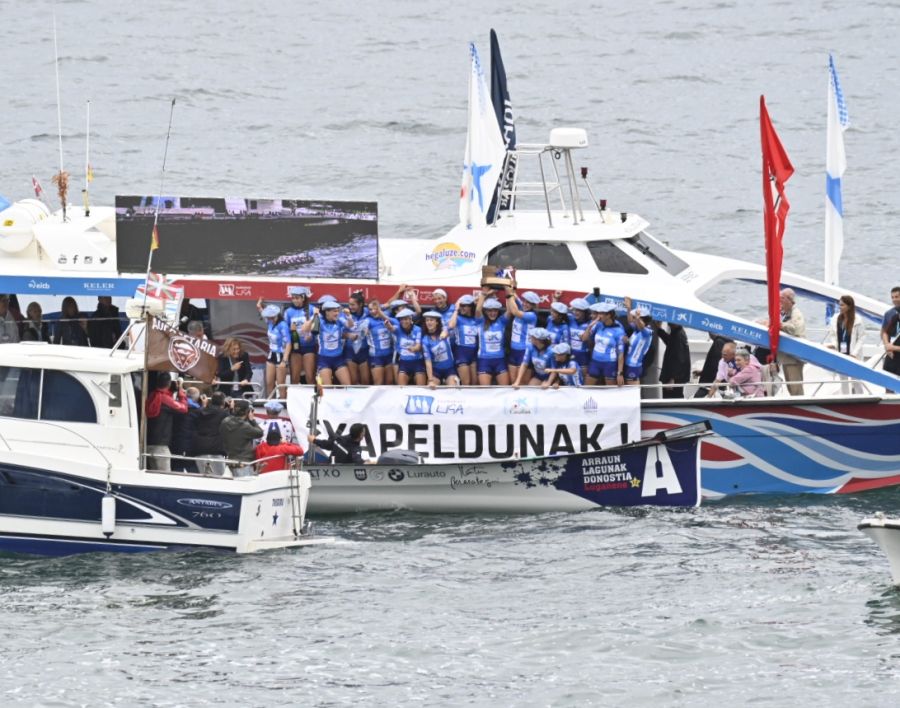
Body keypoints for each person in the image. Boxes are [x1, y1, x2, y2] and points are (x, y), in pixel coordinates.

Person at [301, 300, 356, 386]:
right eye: (334, 311)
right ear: (327, 312)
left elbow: (350, 325)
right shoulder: (320, 321)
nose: (337, 313)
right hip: (324, 360)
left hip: (339, 359)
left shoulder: (339, 320)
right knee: (327, 388)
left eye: (338, 310)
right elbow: (304, 329)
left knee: (347, 386)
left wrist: (349, 316)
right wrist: (314, 316)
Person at [145, 372, 189, 471]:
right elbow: (183, 409)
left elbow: (165, 398)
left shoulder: (152, 395)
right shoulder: (165, 399)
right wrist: (182, 395)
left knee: (154, 478)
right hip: (161, 447)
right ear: (169, 384)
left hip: (149, 444)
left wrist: (173, 390)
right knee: (165, 477)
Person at [825, 294, 867, 394]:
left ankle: (861, 400)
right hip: (841, 354)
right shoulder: (836, 318)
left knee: (856, 381)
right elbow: (833, 334)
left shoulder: (858, 320)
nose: (840, 307)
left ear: (849, 306)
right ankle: (846, 401)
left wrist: (855, 353)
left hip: (853, 355)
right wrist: (834, 344)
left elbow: (862, 337)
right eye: (839, 305)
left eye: (842, 305)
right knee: (843, 381)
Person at [583, 302, 626, 386]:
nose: (598, 316)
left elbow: (621, 353)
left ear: (609, 315)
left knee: (610, 393)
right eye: (598, 313)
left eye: (601, 313)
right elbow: (584, 338)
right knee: (586, 389)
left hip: (609, 364)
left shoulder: (618, 331)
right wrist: (590, 326)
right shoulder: (598, 325)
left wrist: (620, 373)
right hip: (595, 362)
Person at [220, 399, 264, 476]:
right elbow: (260, 433)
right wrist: (252, 420)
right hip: (243, 462)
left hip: (230, 460)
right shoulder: (245, 426)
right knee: (246, 486)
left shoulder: (225, 422)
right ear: (247, 412)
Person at [505, 288, 540, 384]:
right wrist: (509, 286)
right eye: (524, 301)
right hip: (513, 351)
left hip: (524, 351)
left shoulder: (532, 315)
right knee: (513, 382)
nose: (525, 304)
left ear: (533, 305)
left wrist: (509, 295)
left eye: (529, 303)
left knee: (522, 384)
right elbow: (515, 296)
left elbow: (515, 312)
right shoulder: (523, 307)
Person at [475, 291, 511, 385]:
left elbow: (510, 310)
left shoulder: (501, 321)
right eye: (490, 311)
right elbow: (478, 309)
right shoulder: (480, 321)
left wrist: (508, 292)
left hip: (500, 360)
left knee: (504, 390)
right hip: (484, 360)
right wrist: (484, 293)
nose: (493, 313)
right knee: (485, 391)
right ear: (485, 311)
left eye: (495, 310)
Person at [284, 286, 317, 386]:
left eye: (297, 298)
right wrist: (291, 330)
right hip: (295, 347)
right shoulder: (288, 312)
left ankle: (312, 400)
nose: (295, 300)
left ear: (303, 298)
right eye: (293, 298)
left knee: (310, 377)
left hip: (309, 347)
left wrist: (311, 335)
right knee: (294, 378)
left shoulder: (311, 309)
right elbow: (285, 332)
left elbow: (317, 326)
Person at [191, 391, 230, 475]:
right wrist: (230, 409)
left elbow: (200, 414)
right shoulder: (224, 414)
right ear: (223, 402)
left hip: (200, 450)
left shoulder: (198, 412)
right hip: (216, 450)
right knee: (218, 480)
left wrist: (203, 406)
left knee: (204, 479)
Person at [776, 288, 807, 396]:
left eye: (782, 298)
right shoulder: (784, 313)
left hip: (793, 356)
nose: (779, 301)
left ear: (790, 300)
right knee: (790, 386)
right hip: (786, 356)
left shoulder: (796, 313)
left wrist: (781, 325)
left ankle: (802, 408)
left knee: (795, 388)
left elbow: (796, 329)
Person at [258, 302, 291, 398]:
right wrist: (259, 306)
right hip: (271, 354)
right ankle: (270, 403)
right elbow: (262, 312)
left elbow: (288, 343)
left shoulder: (283, 325)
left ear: (276, 315)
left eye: (271, 317)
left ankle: (283, 404)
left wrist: (284, 361)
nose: (269, 319)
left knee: (281, 384)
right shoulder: (270, 322)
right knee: (269, 383)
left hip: (281, 355)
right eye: (268, 317)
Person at [447, 294, 479, 386]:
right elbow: (451, 326)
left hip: (473, 354)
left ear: (470, 307)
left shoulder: (476, 319)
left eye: (464, 306)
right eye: (461, 305)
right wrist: (456, 309)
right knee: (466, 383)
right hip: (461, 353)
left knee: (474, 383)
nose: (462, 308)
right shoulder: (458, 318)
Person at [421, 311, 459, 388]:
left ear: (437, 322)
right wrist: (430, 380)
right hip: (436, 370)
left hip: (450, 369)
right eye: (427, 320)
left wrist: (456, 310)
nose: (429, 322)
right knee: (431, 389)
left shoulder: (443, 331)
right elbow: (428, 362)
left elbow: (452, 325)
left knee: (453, 388)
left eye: (431, 320)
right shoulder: (425, 340)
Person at [363, 299, 396, 385]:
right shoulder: (368, 320)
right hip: (376, 356)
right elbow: (363, 330)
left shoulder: (386, 315)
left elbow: (395, 323)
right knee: (378, 383)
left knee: (390, 382)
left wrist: (381, 313)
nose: (373, 311)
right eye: (370, 309)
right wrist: (364, 331)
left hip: (389, 355)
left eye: (375, 309)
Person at [170, 387, 202, 472]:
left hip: (175, 445)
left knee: (176, 471)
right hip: (191, 448)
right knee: (194, 474)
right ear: (197, 398)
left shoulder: (177, 408)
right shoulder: (199, 412)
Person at [393, 308, 426, 385]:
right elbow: (391, 328)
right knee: (401, 389)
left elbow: (418, 346)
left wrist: (414, 348)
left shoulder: (418, 329)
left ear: (411, 319)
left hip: (417, 362)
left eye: (406, 319)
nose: (404, 321)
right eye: (401, 320)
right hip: (404, 363)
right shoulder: (398, 328)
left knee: (421, 389)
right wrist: (387, 324)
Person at [657, 323, 691, 399]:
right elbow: (669, 342)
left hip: (674, 379)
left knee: (672, 399)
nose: (668, 323)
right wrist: (659, 329)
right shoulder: (677, 332)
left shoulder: (678, 335)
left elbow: (679, 359)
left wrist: (673, 379)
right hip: (675, 377)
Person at [694, 333, 733, 398]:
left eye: (710, 332)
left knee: (697, 398)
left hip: (710, 381)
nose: (709, 335)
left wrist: (704, 374)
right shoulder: (726, 343)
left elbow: (714, 364)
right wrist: (702, 372)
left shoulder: (718, 342)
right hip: (719, 381)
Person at [344, 292, 371, 385]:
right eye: (349, 304)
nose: (350, 307)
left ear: (361, 304)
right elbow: (340, 333)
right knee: (353, 381)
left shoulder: (368, 312)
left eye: (353, 304)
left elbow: (385, 305)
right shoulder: (345, 315)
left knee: (366, 382)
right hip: (350, 351)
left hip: (364, 351)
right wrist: (348, 335)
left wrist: (399, 292)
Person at [623, 308, 654, 387]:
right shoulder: (636, 330)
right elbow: (630, 321)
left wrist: (637, 318)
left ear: (641, 320)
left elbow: (642, 327)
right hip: (627, 364)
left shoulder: (647, 332)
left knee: (632, 393)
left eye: (635, 318)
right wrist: (628, 308)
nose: (633, 320)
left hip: (634, 366)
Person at [566, 298, 592, 379]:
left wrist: (587, 339)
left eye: (578, 310)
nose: (575, 312)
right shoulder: (570, 319)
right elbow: (558, 311)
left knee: (582, 380)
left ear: (584, 312)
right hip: (571, 354)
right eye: (574, 310)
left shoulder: (590, 323)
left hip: (583, 356)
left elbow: (592, 345)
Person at [881, 286, 900, 376]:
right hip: (891, 354)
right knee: (887, 382)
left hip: (896, 349)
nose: (894, 300)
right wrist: (887, 346)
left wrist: (893, 348)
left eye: (897, 297)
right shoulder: (889, 314)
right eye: (892, 297)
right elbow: (884, 332)